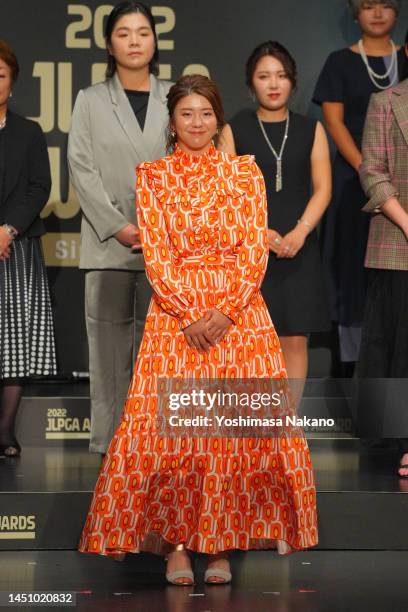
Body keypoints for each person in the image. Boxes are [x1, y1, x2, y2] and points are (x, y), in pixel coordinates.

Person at [78, 75, 318, 585]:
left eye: (206, 113)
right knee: (173, 434)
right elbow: (158, 255)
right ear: (173, 120)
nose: (196, 123)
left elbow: (254, 250)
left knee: (230, 436)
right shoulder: (155, 176)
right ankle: (178, 545)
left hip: (240, 316)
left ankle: (221, 545)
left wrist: (227, 311)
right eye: (186, 113)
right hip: (175, 317)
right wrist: (188, 314)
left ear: (218, 119)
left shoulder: (243, 174)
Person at [68, 1, 172, 455]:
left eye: (143, 32)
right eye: (124, 33)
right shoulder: (90, 99)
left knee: (161, 357)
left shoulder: (176, 96)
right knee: (108, 358)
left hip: (167, 249)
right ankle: (111, 447)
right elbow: (81, 168)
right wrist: (119, 226)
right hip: (109, 245)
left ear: (155, 40)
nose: (134, 41)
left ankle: (159, 445)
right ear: (109, 44)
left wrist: (157, 227)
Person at [219, 41, 331, 386]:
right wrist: (259, 234)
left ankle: (289, 430)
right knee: (253, 339)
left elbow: (323, 188)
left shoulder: (311, 128)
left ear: (293, 82)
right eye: (264, 76)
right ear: (251, 83)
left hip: (300, 247)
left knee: (295, 340)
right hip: (251, 250)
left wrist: (301, 232)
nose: (273, 84)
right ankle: (257, 429)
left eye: (281, 76)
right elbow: (226, 194)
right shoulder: (234, 128)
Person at [313, 0, 406, 376]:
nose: (378, 13)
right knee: (355, 277)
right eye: (368, 5)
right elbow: (334, 123)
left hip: (396, 180)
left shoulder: (405, 55)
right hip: (357, 183)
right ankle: (355, 372)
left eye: (385, 4)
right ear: (355, 13)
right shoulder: (340, 62)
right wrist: (368, 165)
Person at [0, 40, 56, 457]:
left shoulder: (28, 131)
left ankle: (5, 430)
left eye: (0, 75)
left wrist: (7, 230)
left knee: (14, 341)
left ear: (12, 83)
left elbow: (40, 186)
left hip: (15, 247)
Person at [358, 32, 408, 477]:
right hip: (397, 245)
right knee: (398, 349)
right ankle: (403, 444)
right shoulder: (386, 102)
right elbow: (372, 171)